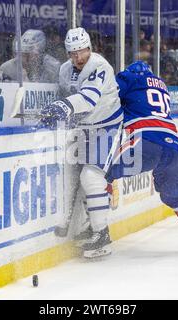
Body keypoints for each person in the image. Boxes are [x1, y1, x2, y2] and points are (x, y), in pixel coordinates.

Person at [106, 61, 178, 253]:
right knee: (174, 197)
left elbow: (108, 97)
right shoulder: (161, 85)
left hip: (145, 140)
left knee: (102, 173)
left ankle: (98, 231)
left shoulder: (129, 77)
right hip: (173, 147)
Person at [39, 27, 123, 259]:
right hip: (83, 130)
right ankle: (91, 227)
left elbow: (88, 98)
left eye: (81, 51)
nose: (77, 58)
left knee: (91, 177)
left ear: (89, 48)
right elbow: (65, 95)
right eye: (72, 53)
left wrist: (64, 107)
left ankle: (102, 235)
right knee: (83, 178)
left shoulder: (99, 66)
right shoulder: (65, 70)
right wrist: (54, 111)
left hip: (108, 126)